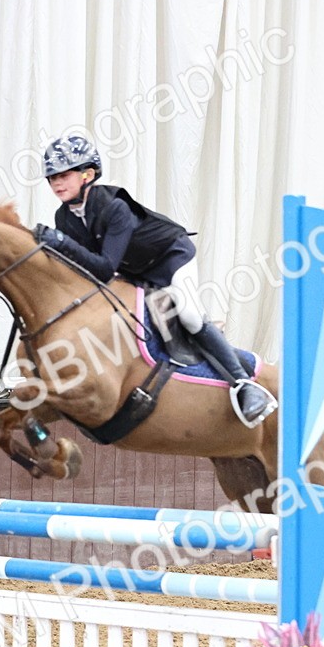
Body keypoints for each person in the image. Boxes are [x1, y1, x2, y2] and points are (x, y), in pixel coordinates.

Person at [32, 133, 277, 428]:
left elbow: (105, 268)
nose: (57, 183)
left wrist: (61, 242)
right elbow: (84, 270)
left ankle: (245, 385)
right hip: (136, 270)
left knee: (189, 316)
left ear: (88, 174)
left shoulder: (114, 207)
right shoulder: (65, 217)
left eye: (64, 175)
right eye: (52, 177)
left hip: (171, 257)